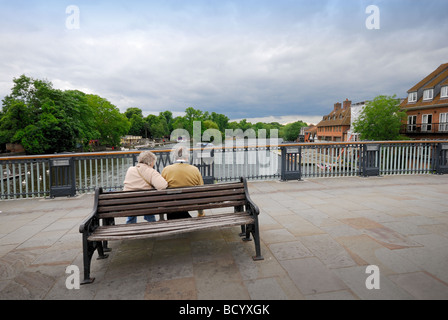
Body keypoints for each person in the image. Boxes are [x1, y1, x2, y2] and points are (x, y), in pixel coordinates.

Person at [123, 151, 168, 223]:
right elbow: (162, 186)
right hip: (145, 204)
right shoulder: (150, 171)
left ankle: (130, 224)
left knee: (134, 203)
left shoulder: (130, 169)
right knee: (147, 202)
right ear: (151, 162)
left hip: (129, 203)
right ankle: (151, 223)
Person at [162, 145, 205, 220]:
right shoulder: (194, 169)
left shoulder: (166, 170)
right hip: (190, 202)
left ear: (175, 156)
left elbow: (162, 187)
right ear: (187, 156)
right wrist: (201, 212)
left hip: (172, 203)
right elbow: (201, 188)